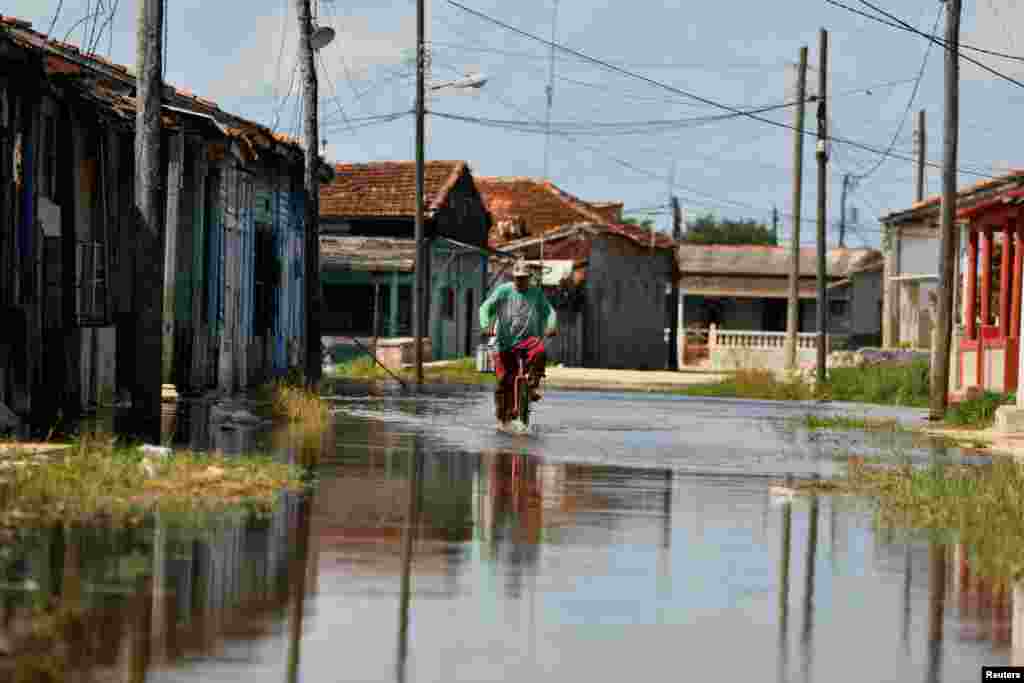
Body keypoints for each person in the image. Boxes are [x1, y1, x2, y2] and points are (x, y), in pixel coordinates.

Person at [479, 260, 558, 427]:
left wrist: (551, 326)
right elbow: (485, 308)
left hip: (527, 340)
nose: (520, 281)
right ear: (513, 277)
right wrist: (485, 326)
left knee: (540, 351)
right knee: (503, 383)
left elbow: (549, 311)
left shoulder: (536, 293)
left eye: (523, 278)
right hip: (504, 343)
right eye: (517, 278)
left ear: (529, 278)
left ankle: (532, 385)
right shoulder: (503, 291)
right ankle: (502, 417)